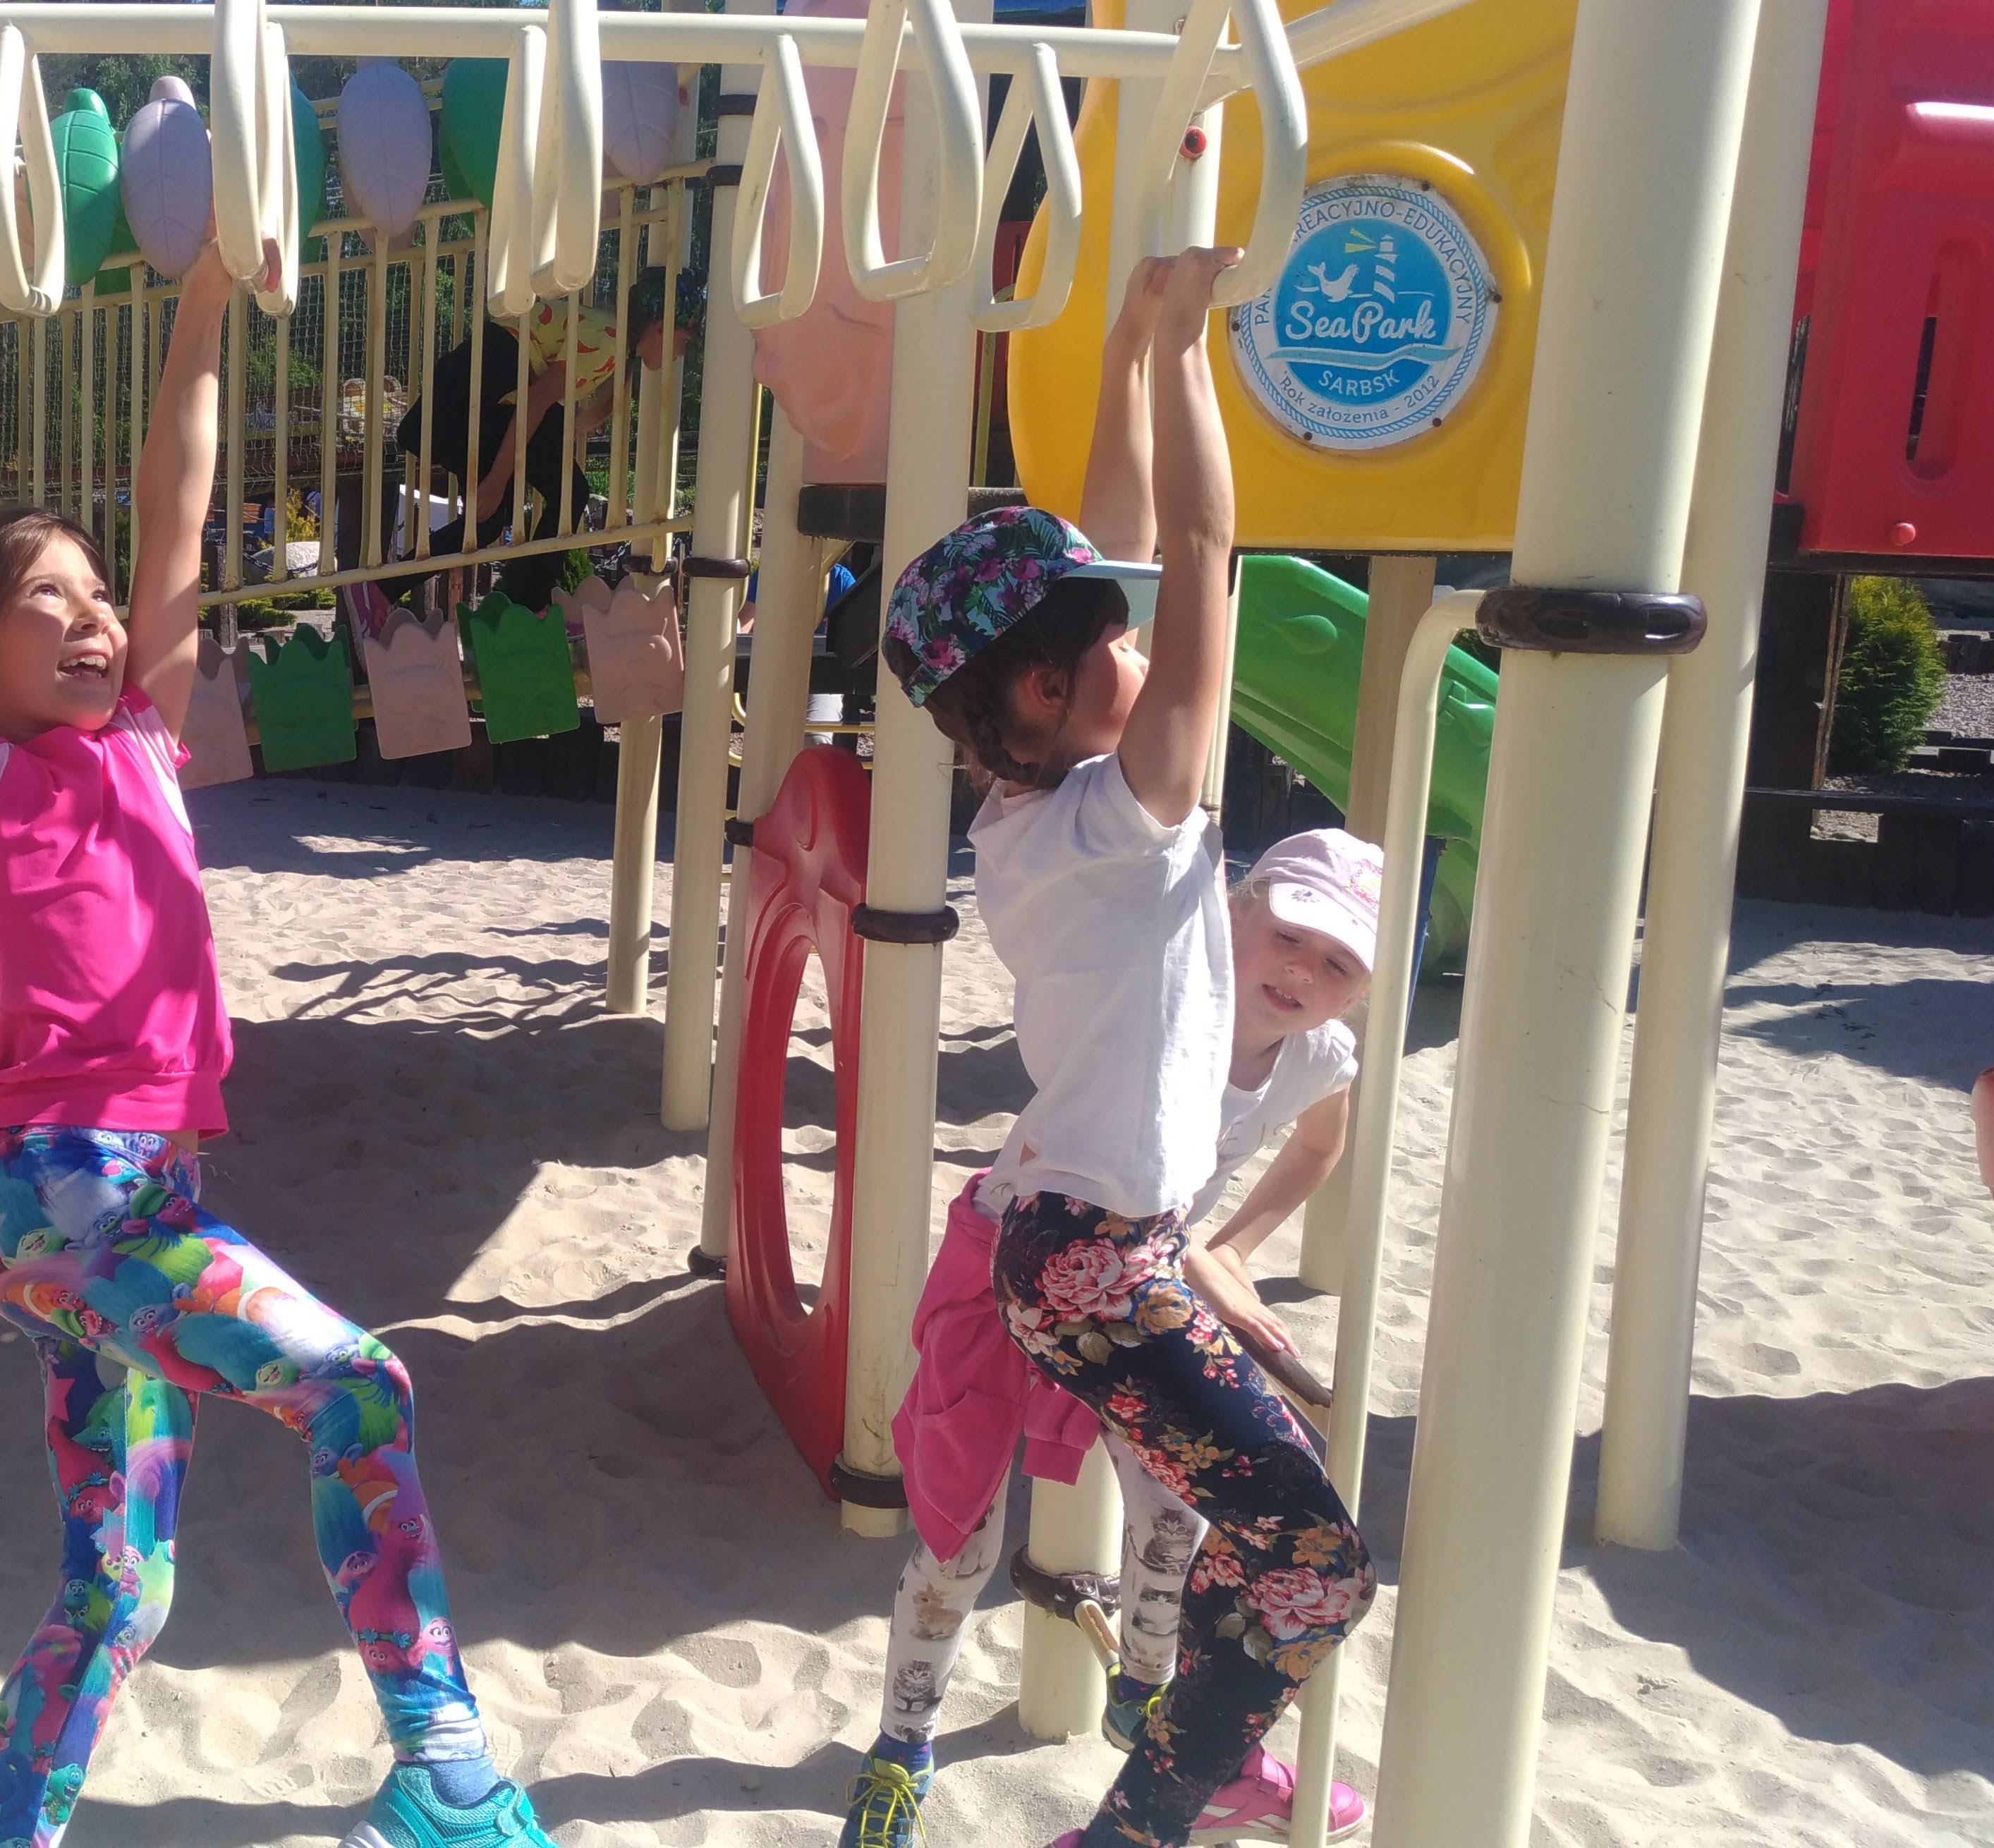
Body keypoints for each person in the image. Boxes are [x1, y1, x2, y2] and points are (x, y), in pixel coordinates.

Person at [0, 233, 560, 1848]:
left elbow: (182, 497)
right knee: (359, 1389)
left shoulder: (146, 742)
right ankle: (445, 1772)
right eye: (46, 598)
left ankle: (12, 1827)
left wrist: (209, 298)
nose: (94, 616)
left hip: (110, 1203)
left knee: (122, 1588)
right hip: (72, 1188)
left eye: (101, 595)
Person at [872, 249, 1375, 1848]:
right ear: (1052, 684)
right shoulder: (1135, 821)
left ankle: (1180, 1766)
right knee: (1316, 1561)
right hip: (1099, 1259)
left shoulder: (1031, 805)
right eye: (1118, 645)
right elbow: (1206, 554)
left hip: (1076, 1245)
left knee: (1273, 1527)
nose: (1148, 651)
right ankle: (1155, 1807)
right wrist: (1187, 358)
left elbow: (1127, 557)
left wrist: (1132, 344)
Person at [837, 825, 1388, 1847]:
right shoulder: (1165, 1000)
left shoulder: (1319, 1055)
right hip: (1019, 1259)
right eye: (1288, 936)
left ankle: (1150, 1708)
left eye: (1338, 964)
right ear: (1234, 915)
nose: (1303, 972)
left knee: (1178, 1514)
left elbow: (1323, 1141)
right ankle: (899, 1752)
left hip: (1142, 1286)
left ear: (1361, 990)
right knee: (961, 1540)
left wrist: (1228, 1245)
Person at [375, 269, 705, 611]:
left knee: (508, 516)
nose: (682, 352)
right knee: (562, 496)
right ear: (661, 329)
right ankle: (529, 606)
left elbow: (541, 402)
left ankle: (383, 593)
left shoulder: (609, 338)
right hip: (474, 394)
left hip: (481, 389)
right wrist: (497, 481)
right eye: (685, 340)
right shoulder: (609, 343)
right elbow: (534, 402)